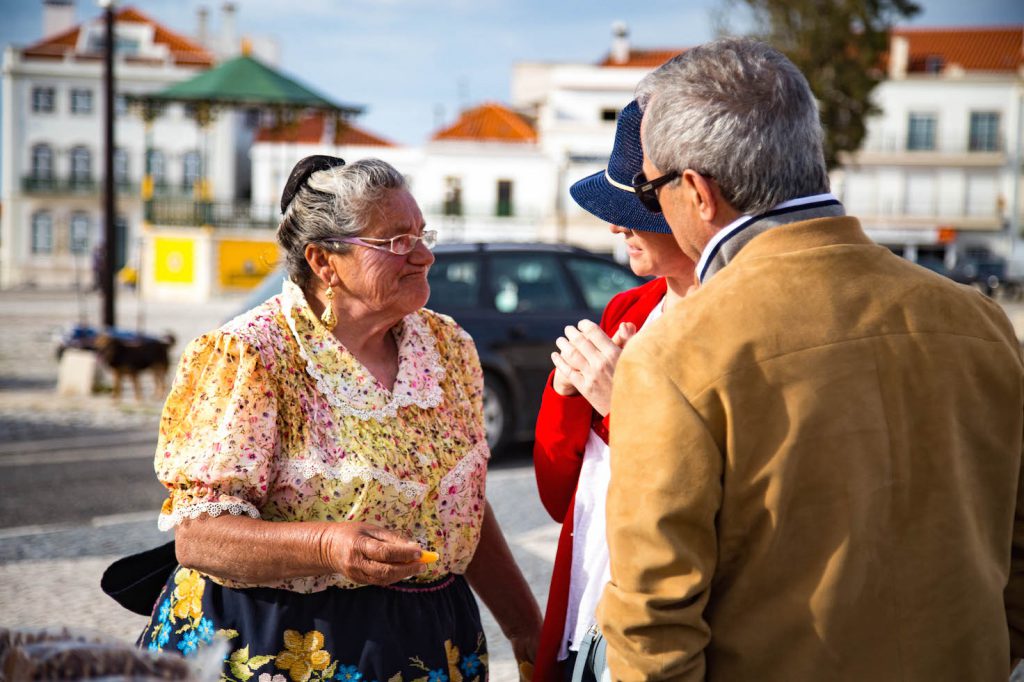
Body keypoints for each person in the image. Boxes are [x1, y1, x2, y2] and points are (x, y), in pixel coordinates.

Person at [599, 38, 1024, 681]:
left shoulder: (674, 356)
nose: (649, 207)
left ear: (698, 191)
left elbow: (651, 630)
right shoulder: (980, 321)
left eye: (648, 188)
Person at [138, 156, 542, 681]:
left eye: (423, 235)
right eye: (397, 241)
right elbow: (200, 537)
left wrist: (526, 628)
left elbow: (458, 503)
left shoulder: (448, 348)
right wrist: (327, 546)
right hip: (280, 642)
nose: (424, 255)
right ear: (324, 262)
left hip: (432, 642)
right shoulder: (252, 355)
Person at [532, 100, 694, 682]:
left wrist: (618, 402)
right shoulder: (628, 307)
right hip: (590, 596)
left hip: (661, 622)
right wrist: (565, 391)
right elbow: (561, 497)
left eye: (629, 211)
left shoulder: (732, 322)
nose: (615, 226)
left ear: (694, 201)